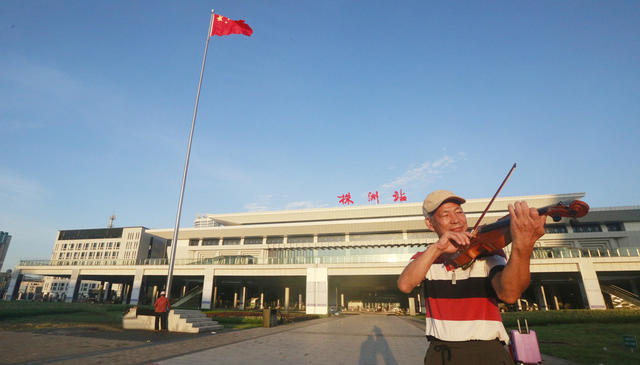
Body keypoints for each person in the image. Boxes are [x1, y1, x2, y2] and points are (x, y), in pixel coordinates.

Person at [397, 190, 546, 365]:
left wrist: (523, 245)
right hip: (442, 353)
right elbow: (405, 285)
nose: (456, 219)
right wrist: (437, 248)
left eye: (459, 212)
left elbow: (509, 294)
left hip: (488, 352)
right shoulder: (427, 258)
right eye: (446, 214)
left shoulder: (488, 252)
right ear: (430, 224)